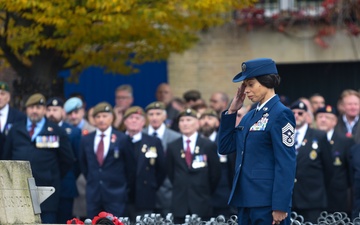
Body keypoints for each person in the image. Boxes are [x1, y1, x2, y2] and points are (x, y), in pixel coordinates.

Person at [217, 58, 296, 225]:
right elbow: (225, 147)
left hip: (267, 202)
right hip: (245, 200)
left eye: (250, 84)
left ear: (266, 82)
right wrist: (231, 112)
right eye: (245, 85)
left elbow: (286, 163)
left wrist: (281, 205)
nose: (246, 90)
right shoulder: (249, 116)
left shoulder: (281, 114)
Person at [2, 93, 74, 223]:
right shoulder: (16, 129)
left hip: (47, 192)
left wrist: (52, 175)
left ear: (44, 110)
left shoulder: (56, 131)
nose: (35, 111)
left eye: (38, 107)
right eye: (31, 107)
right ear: (26, 110)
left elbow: (67, 159)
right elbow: (6, 157)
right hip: (19, 191)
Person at [79, 102, 135, 218]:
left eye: (105, 116)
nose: (101, 120)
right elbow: (84, 165)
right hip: (94, 194)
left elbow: (131, 167)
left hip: (116, 194)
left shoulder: (122, 138)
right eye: (98, 117)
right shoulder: (86, 139)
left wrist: (122, 187)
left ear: (112, 118)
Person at [167, 108, 221, 223]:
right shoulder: (173, 146)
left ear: (197, 123)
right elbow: (170, 173)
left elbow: (215, 175)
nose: (185, 123)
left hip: (201, 202)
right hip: (180, 204)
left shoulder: (208, 145)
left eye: (189, 120)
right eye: (182, 120)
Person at [290, 100, 334, 223]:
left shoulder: (318, 136)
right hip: (289, 199)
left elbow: (329, 168)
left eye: (300, 113)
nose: (296, 116)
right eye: (293, 113)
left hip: (312, 198)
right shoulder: (284, 136)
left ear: (307, 116)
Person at [123, 106, 166, 221]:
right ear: (125, 121)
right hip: (121, 196)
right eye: (131, 117)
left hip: (145, 196)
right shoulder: (118, 139)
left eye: (138, 118)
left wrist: (152, 185)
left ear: (143, 122)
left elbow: (162, 169)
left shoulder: (153, 141)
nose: (134, 120)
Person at [45, 97, 82, 223]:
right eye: (48, 109)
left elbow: (78, 161)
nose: (51, 113)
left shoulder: (74, 132)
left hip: (65, 185)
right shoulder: (41, 130)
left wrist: (67, 175)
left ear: (63, 112)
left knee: (64, 220)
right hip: (45, 185)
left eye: (55, 110)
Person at [143, 101, 181, 217]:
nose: (154, 117)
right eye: (151, 114)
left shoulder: (175, 137)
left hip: (168, 192)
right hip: (144, 193)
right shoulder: (141, 135)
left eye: (158, 114)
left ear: (165, 116)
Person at [315, 105, 354, 215]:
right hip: (313, 197)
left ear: (335, 121)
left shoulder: (345, 142)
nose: (323, 120)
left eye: (327, 117)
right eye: (320, 117)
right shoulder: (308, 139)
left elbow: (350, 172)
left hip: (337, 198)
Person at [199, 109, 236, 218]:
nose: (206, 121)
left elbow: (231, 168)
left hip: (222, 196)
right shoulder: (195, 142)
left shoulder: (223, 141)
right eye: (203, 118)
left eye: (210, 118)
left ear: (217, 122)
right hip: (199, 198)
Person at [64, 96, 96, 220]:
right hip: (68, 183)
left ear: (83, 111)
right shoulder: (63, 131)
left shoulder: (93, 131)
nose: (73, 116)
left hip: (85, 184)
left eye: (76, 112)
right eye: (69, 113)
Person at [0, 81, 26, 158]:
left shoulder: (19, 116)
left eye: (2, 94)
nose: (0, 97)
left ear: (8, 97)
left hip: (11, 162)